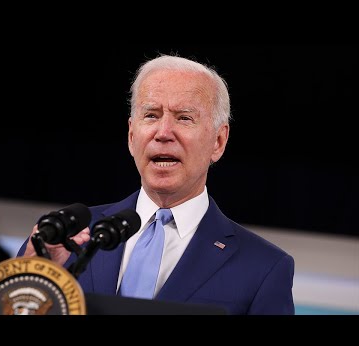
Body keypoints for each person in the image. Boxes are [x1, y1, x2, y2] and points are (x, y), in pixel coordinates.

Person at [17, 54, 295, 315]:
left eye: (184, 118)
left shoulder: (264, 269)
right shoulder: (64, 236)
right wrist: (28, 282)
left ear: (218, 142)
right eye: (151, 115)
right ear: (131, 135)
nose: (163, 133)